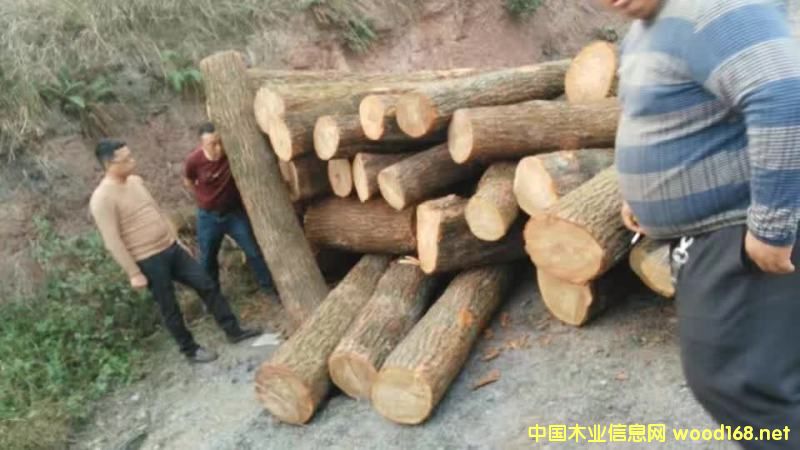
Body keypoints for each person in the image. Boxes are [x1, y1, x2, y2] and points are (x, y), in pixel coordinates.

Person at [600, 0, 800, 448]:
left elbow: (785, 96)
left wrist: (771, 227)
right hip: (717, 234)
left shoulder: (716, 8)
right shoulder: (649, 25)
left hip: (737, 231)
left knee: (741, 384)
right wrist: (638, 194)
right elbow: (655, 113)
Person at [89, 139, 261, 364]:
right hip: (147, 259)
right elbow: (112, 240)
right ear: (109, 164)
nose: (133, 161)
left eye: (131, 156)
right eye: (126, 159)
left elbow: (156, 212)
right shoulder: (102, 198)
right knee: (169, 306)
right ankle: (190, 350)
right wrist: (133, 273)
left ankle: (233, 330)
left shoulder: (135, 182)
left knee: (206, 284)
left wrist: (175, 240)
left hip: (170, 248)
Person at [183, 123, 275, 294]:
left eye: (220, 142)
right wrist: (202, 197)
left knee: (253, 251)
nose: (218, 148)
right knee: (208, 258)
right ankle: (213, 296)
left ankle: (268, 288)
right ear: (202, 144)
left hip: (233, 214)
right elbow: (188, 181)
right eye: (212, 144)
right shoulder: (194, 161)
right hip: (208, 217)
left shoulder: (232, 154)